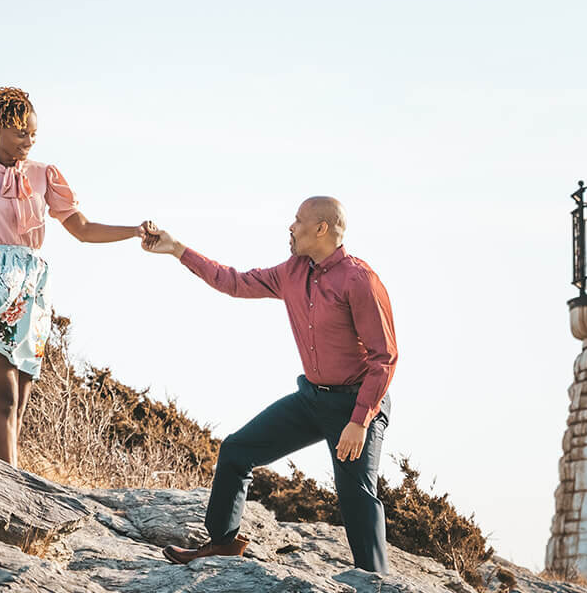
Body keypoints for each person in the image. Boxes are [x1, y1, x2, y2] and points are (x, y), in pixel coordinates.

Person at [140, 197, 397, 572]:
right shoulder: (292, 271)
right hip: (311, 399)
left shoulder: (359, 280)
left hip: (356, 406)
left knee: (356, 496)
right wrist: (177, 249)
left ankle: (377, 587)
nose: (291, 227)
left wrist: (359, 421)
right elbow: (234, 282)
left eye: (297, 220)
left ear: (321, 228)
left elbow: (384, 357)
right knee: (236, 451)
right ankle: (223, 543)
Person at [0, 86, 146, 467]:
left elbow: (82, 229)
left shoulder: (43, 175)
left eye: (34, 133)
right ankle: (13, 497)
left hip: (31, 297)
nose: (29, 141)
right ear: (0, 127)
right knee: (3, 398)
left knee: (17, 406)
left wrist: (133, 231)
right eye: (22, 133)